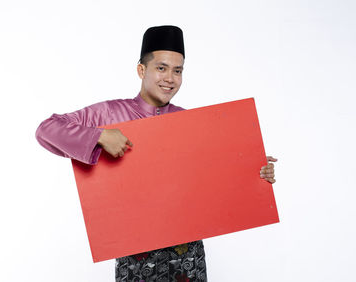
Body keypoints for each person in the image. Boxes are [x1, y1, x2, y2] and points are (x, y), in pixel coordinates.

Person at [36, 25, 277, 282]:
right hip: (135, 254)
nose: (170, 79)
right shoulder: (107, 114)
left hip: (188, 255)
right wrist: (99, 136)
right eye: (161, 68)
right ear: (142, 70)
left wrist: (256, 171)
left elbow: (218, 175)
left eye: (177, 71)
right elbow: (46, 130)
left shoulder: (189, 121)